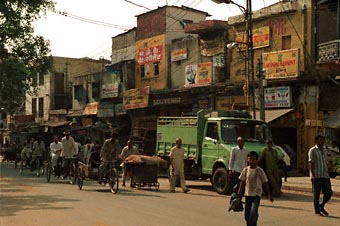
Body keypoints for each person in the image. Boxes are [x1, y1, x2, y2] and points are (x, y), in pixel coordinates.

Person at [238, 151, 273, 226]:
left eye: (253, 159)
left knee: (253, 212)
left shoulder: (259, 170)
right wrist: (239, 194)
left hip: (256, 195)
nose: (251, 161)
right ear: (247, 160)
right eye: (250, 159)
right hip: (247, 194)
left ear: (257, 160)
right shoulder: (246, 170)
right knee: (247, 214)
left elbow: (265, 183)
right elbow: (242, 182)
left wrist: (269, 194)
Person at [308, 135, 333, 216]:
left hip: (325, 175)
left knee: (329, 192)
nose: (321, 141)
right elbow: (311, 163)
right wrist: (313, 175)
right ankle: (317, 210)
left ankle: (321, 205)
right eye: (320, 140)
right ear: (316, 141)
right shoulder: (313, 150)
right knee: (316, 194)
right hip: (317, 175)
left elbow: (328, 161)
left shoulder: (325, 150)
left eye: (323, 140)